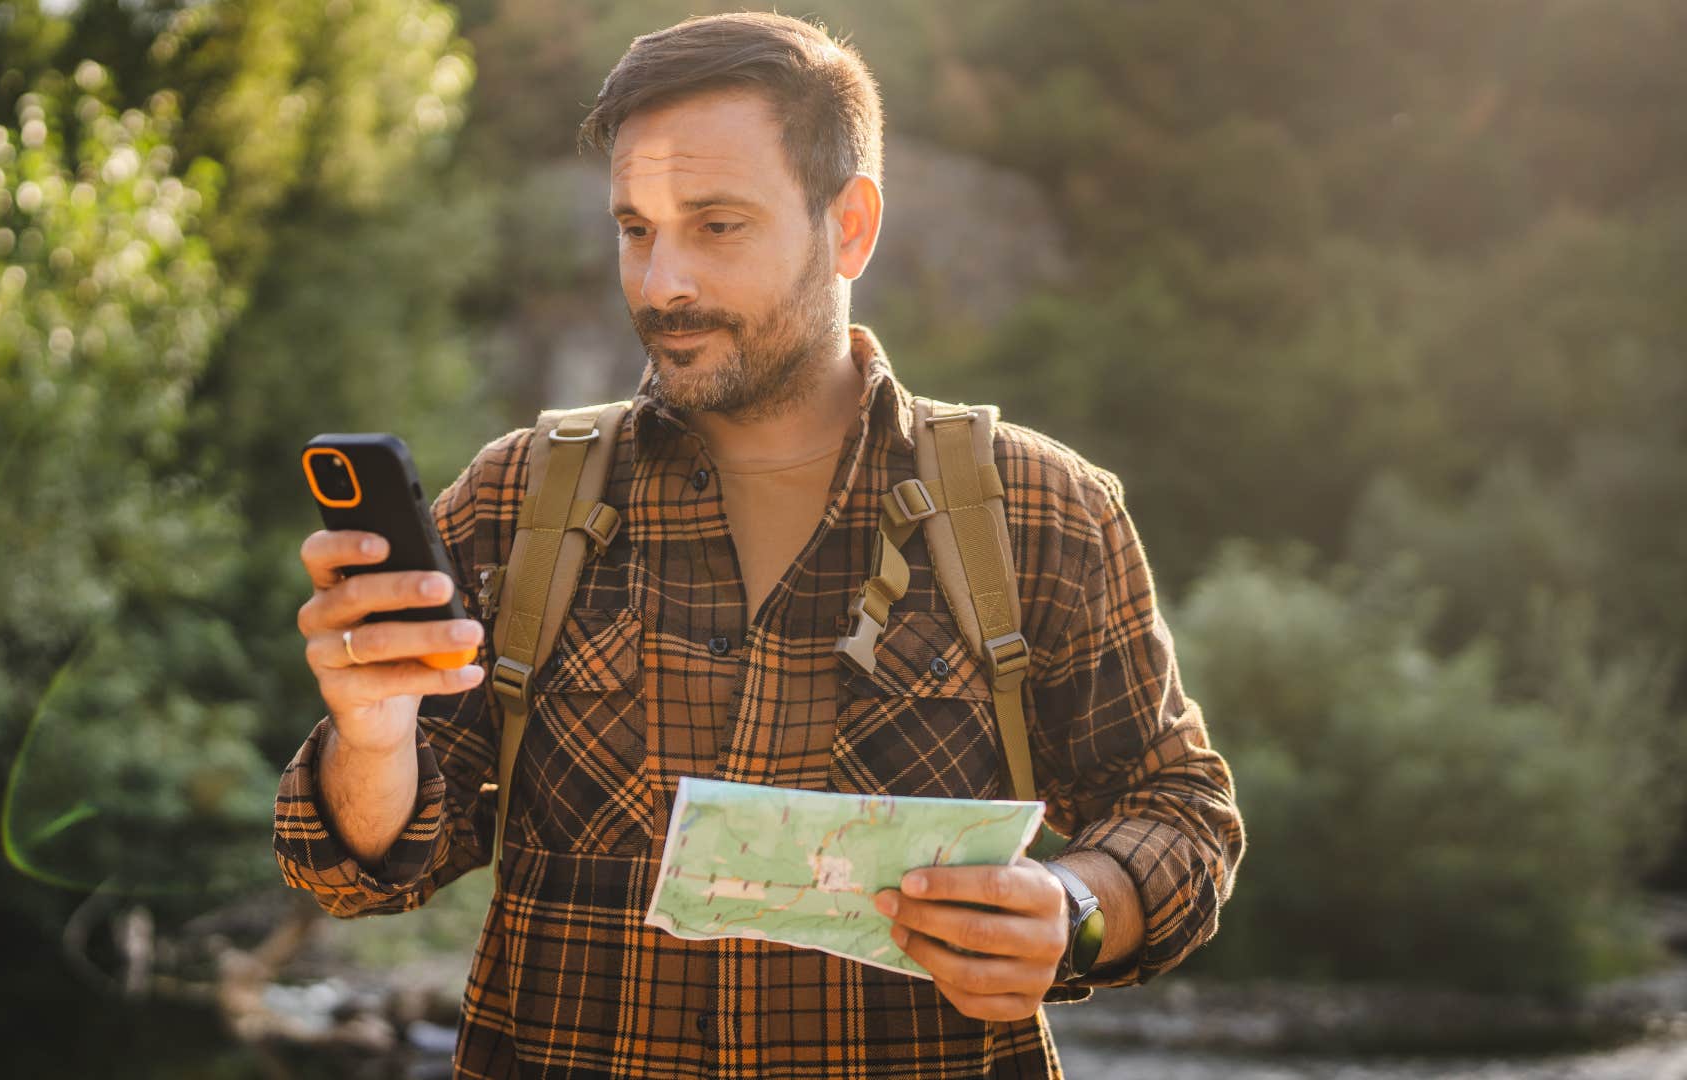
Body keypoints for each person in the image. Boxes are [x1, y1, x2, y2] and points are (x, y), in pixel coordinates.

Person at [274, 12, 1243, 1077]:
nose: (661, 284)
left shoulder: (1040, 508)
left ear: (852, 227)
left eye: (717, 225)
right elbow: (360, 874)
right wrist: (371, 733)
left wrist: (1073, 911)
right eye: (636, 229)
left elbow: (1179, 811)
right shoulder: (518, 499)